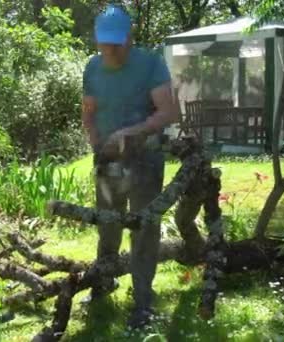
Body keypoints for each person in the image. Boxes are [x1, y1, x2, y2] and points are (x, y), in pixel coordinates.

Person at [80, 4, 178, 329]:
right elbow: (89, 113)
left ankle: (143, 300)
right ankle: (104, 281)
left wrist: (127, 134)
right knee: (108, 225)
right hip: (108, 162)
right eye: (104, 44)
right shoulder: (92, 69)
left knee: (144, 229)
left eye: (116, 44)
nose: (110, 51)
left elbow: (167, 112)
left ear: (129, 38)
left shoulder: (151, 64)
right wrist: (97, 145)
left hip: (145, 162)